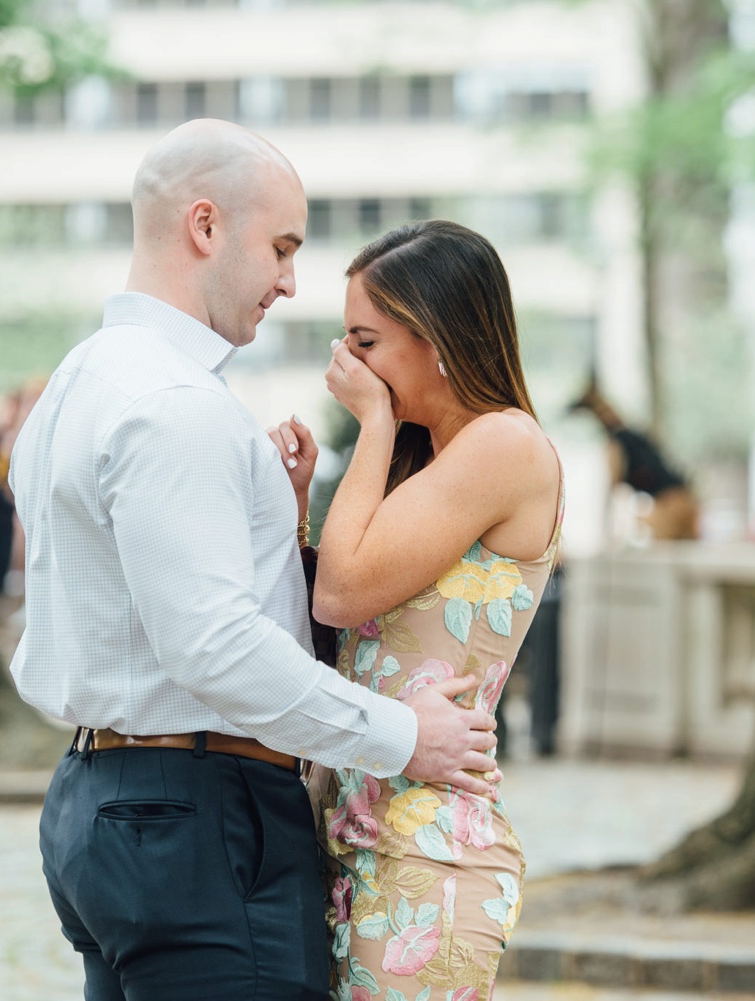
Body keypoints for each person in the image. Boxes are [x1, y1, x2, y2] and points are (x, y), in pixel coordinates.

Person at [7, 120, 500, 1001]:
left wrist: (284, 512)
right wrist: (403, 736)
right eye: (280, 246)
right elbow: (215, 646)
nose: (288, 280)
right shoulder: (175, 402)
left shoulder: (78, 383)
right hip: (200, 820)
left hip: (101, 801)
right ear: (204, 227)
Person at [268, 220, 562, 1000]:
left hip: (425, 858)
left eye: (365, 341)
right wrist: (302, 504)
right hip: (346, 835)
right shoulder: (423, 459)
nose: (346, 363)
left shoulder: (505, 445)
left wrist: (371, 423)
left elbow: (341, 589)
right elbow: (333, 625)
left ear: (436, 338)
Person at [568, 380, 699, 540]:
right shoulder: (633, 438)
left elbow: (613, 487)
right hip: (682, 499)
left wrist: (605, 530)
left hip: (671, 505)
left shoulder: (618, 444)